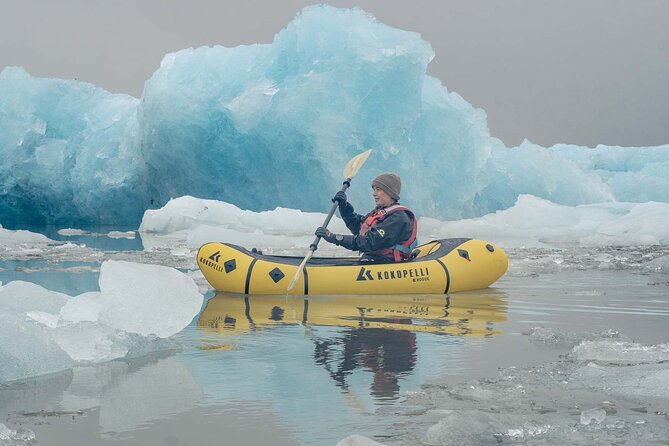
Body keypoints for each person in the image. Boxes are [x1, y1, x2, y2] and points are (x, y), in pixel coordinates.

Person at [315, 172, 418, 263]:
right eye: (374, 189)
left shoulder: (398, 218)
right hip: (373, 260)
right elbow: (358, 228)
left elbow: (368, 242)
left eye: (378, 190)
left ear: (389, 192)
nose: (374, 194)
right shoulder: (380, 212)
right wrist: (344, 206)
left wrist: (334, 238)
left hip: (386, 264)